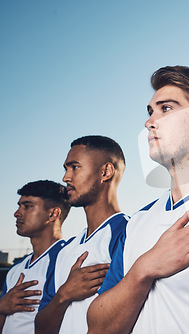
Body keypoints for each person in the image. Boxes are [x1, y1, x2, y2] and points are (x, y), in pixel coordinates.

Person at [87, 66, 189, 333]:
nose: (149, 121)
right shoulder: (137, 222)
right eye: (150, 111)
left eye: (166, 108)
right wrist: (145, 268)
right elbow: (98, 326)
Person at [35, 135, 129, 334]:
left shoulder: (127, 233)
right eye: (66, 168)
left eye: (75, 167)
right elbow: (41, 329)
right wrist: (64, 294)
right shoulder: (65, 250)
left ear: (106, 172)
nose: (65, 178)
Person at [0, 180, 70, 334]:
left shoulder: (68, 259)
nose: (17, 213)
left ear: (53, 214)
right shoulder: (16, 269)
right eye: (19, 206)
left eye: (27, 206)